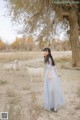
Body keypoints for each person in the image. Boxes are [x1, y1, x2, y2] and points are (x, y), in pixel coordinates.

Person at [43, 47, 64, 112]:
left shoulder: (48, 58)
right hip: (51, 74)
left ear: (49, 52)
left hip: (50, 75)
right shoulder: (48, 58)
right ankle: (53, 106)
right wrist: (57, 74)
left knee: (52, 91)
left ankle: (55, 107)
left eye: (46, 51)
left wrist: (49, 75)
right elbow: (54, 67)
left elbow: (49, 67)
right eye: (44, 51)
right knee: (51, 91)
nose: (45, 52)